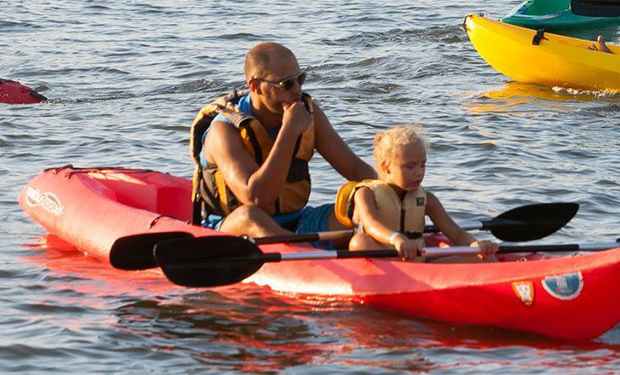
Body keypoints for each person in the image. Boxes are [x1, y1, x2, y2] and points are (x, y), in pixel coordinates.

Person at [191, 42, 375, 238]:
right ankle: (305, 252)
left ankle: (311, 248)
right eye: (285, 84)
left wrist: (398, 191)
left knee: (361, 203)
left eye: (300, 79)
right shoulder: (224, 130)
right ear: (255, 86)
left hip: (298, 221)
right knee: (250, 216)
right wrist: (289, 131)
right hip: (234, 230)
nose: (296, 90)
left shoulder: (308, 114)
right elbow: (256, 199)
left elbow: (355, 169)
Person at [332, 126, 497, 261]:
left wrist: (476, 244)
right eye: (410, 166)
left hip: (418, 261)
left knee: (484, 257)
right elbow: (371, 225)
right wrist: (396, 239)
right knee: (359, 242)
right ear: (385, 167)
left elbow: (456, 233)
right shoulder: (366, 193)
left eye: (422, 165)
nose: (419, 173)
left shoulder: (427, 199)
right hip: (384, 257)